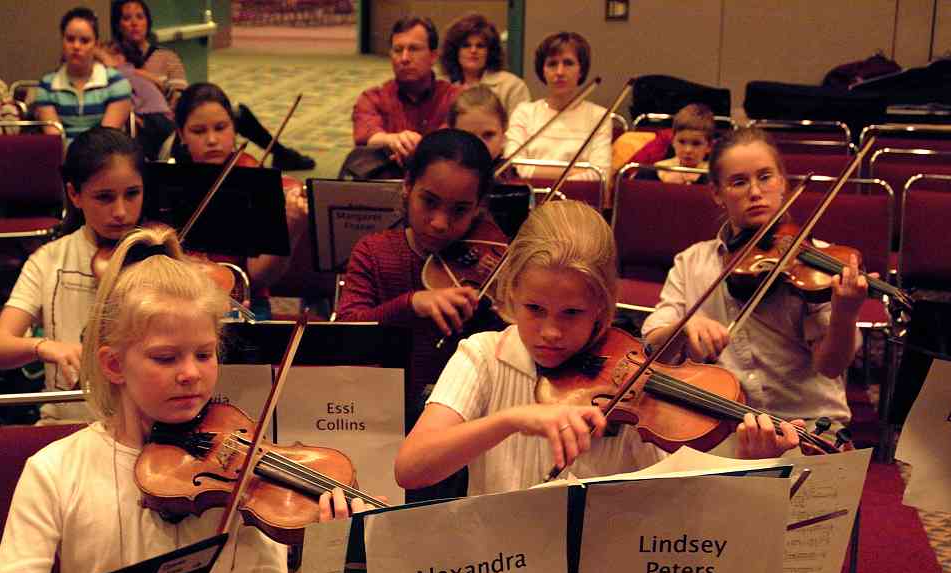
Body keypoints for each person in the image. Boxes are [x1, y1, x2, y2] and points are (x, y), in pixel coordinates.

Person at [0, 225, 369, 573]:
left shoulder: (245, 475)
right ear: (113, 364)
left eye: (205, 354)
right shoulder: (55, 469)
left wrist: (318, 570)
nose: (191, 373)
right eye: (165, 358)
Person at [640, 127, 866, 573]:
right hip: (718, 416)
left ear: (785, 184)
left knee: (792, 469)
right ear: (717, 194)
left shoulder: (811, 263)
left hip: (804, 416)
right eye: (738, 182)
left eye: (766, 177)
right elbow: (650, 336)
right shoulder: (693, 263)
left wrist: (843, 314)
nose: (755, 191)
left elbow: (832, 366)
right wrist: (685, 324)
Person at [394, 199, 799, 496]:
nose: (550, 332)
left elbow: (678, 502)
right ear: (512, 291)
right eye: (535, 309)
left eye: (572, 313)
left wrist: (750, 460)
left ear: (602, 307)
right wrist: (512, 420)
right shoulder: (482, 356)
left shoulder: (631, 381)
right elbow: (411, 469)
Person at [336, 128, 511, 498]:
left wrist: (500, 314)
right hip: (390, 411)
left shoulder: (491, 255)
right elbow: (348, 327)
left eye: (460, 210)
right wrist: (411, 303)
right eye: (429, 201)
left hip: (469, 415)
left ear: (480, 206)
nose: (440, 222)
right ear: (407, 186)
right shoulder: (374, 252)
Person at [0, 127, 144, 424]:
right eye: (104, 197)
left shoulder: (154, 253)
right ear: (75, 194)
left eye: (132, 194)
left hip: (142, 422)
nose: (121, 212)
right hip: (67, 420)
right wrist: (44, 347)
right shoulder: (49, 260)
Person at [110, 0, 314, 170]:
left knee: (233, 112)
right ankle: (281, 152)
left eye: (139, 17)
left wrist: (137, 74)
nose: (134, 23)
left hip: (172, 119)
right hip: (146, 131)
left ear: (148, 21)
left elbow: (182, 100)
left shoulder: (166, 56)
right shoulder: (111, 57)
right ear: (118, 25)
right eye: (126, 18)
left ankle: (279, 151)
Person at [171, 82, 308, 319]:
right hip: (185, 300)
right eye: (199, 131)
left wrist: (291, 226)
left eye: (221, 127)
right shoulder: (169, 182)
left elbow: (260, 275)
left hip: (247, 300)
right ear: (182, 134)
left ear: (234, 128)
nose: (212, 139)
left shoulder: (253, 175)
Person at [352, 15, 461, 165]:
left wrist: (419, 147)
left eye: (414, 49)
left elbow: (457, 138)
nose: (404, 58)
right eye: (398, 50)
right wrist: (393, 140)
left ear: (433, 56)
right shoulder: (372, 98)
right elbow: (366, 136)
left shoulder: (454, 98)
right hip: (385, 181)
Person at [504, 32, 610, 180]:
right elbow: (512, 168)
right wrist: (575, 172)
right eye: (552, 64)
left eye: (568, 63)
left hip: (577, 200)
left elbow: (600, 175)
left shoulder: (600, 117)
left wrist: (536, 171)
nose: (559, 72)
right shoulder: (524, 113)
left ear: (581, 70)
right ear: (543, 70)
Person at [33, 7, 132, 142]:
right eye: (70, 39)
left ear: (96, 45)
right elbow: (56, 142)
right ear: (62, 41)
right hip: (64, 158)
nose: (76, 46)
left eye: (84, 40)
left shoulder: (117, 83)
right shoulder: (46, 86)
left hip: (104, 155)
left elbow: (106, 138)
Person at [95, 39, 174, 159]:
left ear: (120, 58)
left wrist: (96, 51)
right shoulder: (134, 73)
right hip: (164, 118)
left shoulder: (122, 73)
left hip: (152, 118)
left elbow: (127, 97)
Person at [439, 13, 530, 117]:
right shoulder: (443, 88)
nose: (473, 50)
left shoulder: (511, 86)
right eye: (466, 45)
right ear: (455, 51)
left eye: (480, 46)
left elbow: (521, 129)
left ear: (490, 52)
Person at [634, 102, 713, 184]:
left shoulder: (715, 176)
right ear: (673, 141)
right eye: (681, 142)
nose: (688, 150)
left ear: (709, 146)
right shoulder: (653, 171)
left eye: (696, 143)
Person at [447, 85, 507, 162]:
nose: (480, 145)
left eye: (488, 135)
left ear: (503, 136)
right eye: (468, 137)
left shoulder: (510, 172)